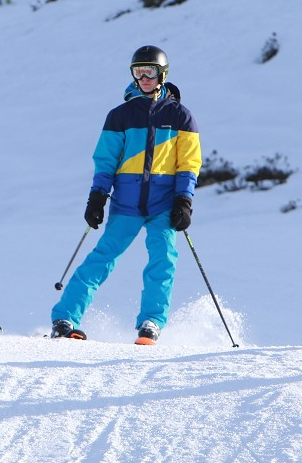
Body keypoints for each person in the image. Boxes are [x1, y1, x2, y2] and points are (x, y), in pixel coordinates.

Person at [49, 46, 202, 345]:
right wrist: (97, 197)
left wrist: (184, 200)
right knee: (101, 258)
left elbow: (189, 164)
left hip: (163, 205)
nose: (144, 78)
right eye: (138, 72)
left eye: (150, 72)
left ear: (162, 75)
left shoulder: (180, 116)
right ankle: (65, 318)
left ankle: (151, 323)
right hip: (127, 204)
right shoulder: (120, 116)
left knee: (163, 261)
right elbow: (105, 161)